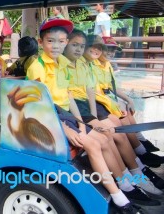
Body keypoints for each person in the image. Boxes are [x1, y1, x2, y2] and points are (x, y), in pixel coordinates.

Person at [26, 18, 156, 212]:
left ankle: (126, 185)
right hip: (46, 117)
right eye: (51, 41)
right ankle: (120, 198)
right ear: (41, 42)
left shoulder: (61, 64)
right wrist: (67, 131)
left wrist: (79, 125)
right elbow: (37, 106)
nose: (56, 45)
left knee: (105, 139)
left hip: (65, 114)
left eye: (61, 41)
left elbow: (69, 97)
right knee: (94, 144)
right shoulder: (37, 67)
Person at [64, 30, 163, 195]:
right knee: (112, 133)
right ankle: (129, 179)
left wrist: (101, 111)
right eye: (76, 45)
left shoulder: (84, 64)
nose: (80, 49)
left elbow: (94, 90)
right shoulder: (68, 64)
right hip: (78, 108)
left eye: (82, 46)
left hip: (90, 106)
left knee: (118, 128)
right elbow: (69, 95)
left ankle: (137, 171)